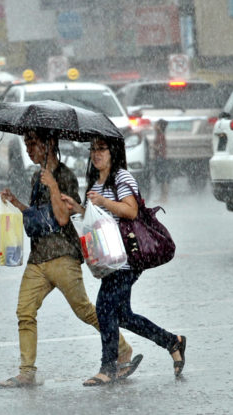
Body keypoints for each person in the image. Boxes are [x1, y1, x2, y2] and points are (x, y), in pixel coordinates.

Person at [0, 129, 141, 388]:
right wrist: (15, 202)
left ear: (49, 144)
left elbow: (62, 218)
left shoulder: (64, 176)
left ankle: (122, 348)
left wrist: (53, 184)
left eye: (33, 143)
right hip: (38, 257)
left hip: (63, 255)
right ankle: (27, 372)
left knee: (84, 310)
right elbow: (39, 217)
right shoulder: (35, 177)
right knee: (24, 312)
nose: (29, 149)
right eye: (26, 144)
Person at [61, 136, 186, 386]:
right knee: (123, 315)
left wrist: (103, 201)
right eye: (93, 149)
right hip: (109, 258)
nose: (96, 154)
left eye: (102, 149)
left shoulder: (122, 178)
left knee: (104, 307)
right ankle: (172, 341)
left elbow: (130, 211)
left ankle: (109, 367)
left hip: (127, 257)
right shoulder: (96, 182)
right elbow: (99, 218)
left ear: (113, 151)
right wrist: (78, 207)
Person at [152, 119, 171, 203]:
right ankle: (162, 197)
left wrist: (152, 146)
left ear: (159, 126)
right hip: (160, 158)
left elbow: (160, 148)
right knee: (162, 179)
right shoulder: (159, 135)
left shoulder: (160, 136)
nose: (154, 126)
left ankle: (164, 198)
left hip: (161, 158)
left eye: (156, 124)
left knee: (164, 179)